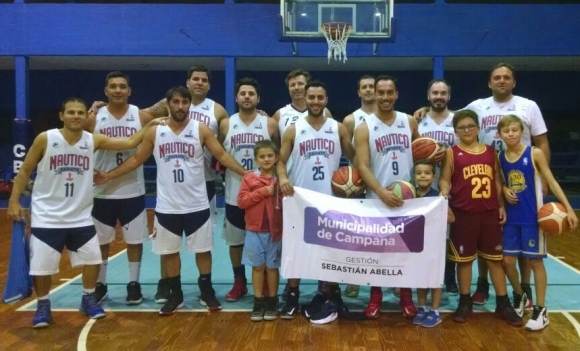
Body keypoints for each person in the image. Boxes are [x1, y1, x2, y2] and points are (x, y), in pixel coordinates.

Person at [7, 97, 162, 328]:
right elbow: (24, 171)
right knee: (42, 267)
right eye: (71, 112)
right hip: (47, 215)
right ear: (62, 115)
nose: (76, 116)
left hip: (80, 214)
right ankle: (43, 305)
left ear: (85, 116)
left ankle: (88, 297)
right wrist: (13, 202)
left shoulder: (92, 140)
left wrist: (149, 126)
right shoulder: (46, 138)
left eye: (80, 112)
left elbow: (129, 142)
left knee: (92, 259)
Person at [95, 86, 248, 316]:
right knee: (169, 252)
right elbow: (136, 158)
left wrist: (247, 175)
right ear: (168, 104)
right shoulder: (155, 131)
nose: (180, 106)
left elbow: (223, 156)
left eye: (184, 102)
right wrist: (108, 175)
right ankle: (175, 294)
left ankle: (206, 290)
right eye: (175, 102)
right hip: (167, 205)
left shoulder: (201, 129)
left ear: (189, 105)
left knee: (203, 251)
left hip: (196, 203)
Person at [415, 64, 550, 309]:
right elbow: (450, 113)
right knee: (488, 252)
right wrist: (427, 110)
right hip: (477, 193)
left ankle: (522, 290)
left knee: (514, 246)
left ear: (513, 82)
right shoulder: (477, 107)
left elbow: (541, 141)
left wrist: (543, 180)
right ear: (489, 82)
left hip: (520, 183)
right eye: (496, 77)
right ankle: (481, 286)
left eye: (506, 77)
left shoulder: (528, 106)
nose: (501, 81)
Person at [278, 80, 355, 321]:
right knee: (296, 249)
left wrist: (356, 181)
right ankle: (292, 294)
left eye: (320, 97)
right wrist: (282, 178)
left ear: (326, 100)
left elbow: (356, 159)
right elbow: (280, 160)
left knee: (330, 250)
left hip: (331, 199)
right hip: (300, 198)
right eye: (311, 97)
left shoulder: (338, 127)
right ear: (305, 98)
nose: (315, 101)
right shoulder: (294, 128)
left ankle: (329, 291)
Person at [439, 109, 522, 326]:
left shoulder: (489, 152)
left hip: (488, 213)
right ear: (455, 131)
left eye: (470, 126)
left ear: (478, 128)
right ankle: (464, 301)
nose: (466, 130)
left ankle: (503, 303)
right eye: (461, 127)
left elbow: (497, 181)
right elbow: (445, 179)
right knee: (464, 262)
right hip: (463, 215)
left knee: (495, 260)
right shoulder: (451, 152)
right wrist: (443, 193)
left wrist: (501, 205)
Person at [497, 114, 578, 330]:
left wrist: (569, 208)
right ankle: (521, 295)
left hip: (533, 219)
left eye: (515, 130)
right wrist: (504, 190)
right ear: (500, 134)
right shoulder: (500, 157)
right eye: (506, 131)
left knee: (535, 263)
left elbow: (551, 181)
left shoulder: (534, 153)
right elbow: (500, 184)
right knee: (507, 262)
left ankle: (541, 311)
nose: (511, 134)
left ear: (522, 131)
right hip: (511, 220)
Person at [353, 75, 421, 320]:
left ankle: (406, 296)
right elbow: (362, 165)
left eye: (389, 92)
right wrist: (382, 192)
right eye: (380, 92)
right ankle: (375, 297)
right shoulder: (364, 127)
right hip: (377, 198)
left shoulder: (410, 121)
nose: (384, 97)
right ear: (374, 94)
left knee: (406, 251)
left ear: (396, 94)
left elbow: (421, 157)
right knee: (376, 253)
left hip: (408, 199)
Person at [87, 71, 155, 305]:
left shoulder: (141, 115)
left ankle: (133, 284)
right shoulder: (94, 117)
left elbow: (169, 109)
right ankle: (101, 284)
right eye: (113, 86)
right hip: (100, 192)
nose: (117, 90)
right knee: (101, 242)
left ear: (129, 91)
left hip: (132, 190)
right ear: (106, 91)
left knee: (134, 241)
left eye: (122, 86)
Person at [218, 78, 279, 302]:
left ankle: (263, 282)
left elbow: (279, 155)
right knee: (236, 241)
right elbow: (218, 154)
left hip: (266, 197)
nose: (246, 97)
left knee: (265, 239)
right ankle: (239, 281)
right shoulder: (226, 124)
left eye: (251, 93)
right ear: (236, 98)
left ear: (258, 98)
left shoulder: (270, 124)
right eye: (242, 93)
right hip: (236, 193)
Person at [417, 79, 458, 296]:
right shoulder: (419, 121)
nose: (439, 96)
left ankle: (449, 276)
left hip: (452, 184)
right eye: (435, 93)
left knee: (448, 234)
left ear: (448, 96)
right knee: (424, 234)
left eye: (443, 93)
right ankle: (422, 275)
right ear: (428, 95)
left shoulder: (457, 120)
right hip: (424, 185)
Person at [237, 140, 283, 322]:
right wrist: (263, 192)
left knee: (272, 267)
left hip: (275, 232)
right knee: (258, 267)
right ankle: (258, 300)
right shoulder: (249, 178)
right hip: (254, 231)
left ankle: (272, 300)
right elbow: (242, 201)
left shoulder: (281, 179)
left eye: (270, 156)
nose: (266, 159)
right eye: (262, 156)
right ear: (256, 159)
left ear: (276, 157)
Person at [341, 74, 375, 299]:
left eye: (372, 86)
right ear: (358, 92)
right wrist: (357, 173)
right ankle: (353, 281)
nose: (369, 90)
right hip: (359, 186)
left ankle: (386, 279)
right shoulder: (351, 120)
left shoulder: (395, 117)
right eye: (365, 87)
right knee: (355, 237)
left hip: (384, 184)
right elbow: (347, 150)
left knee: (383, 238)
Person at [412, 159, 455, 328]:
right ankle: (422, 307)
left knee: (435, 277)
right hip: (416, 244)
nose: (423, 176)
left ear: (434, 176)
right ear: (414, 176)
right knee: (420, 277)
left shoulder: (438, 197)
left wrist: (432, 214)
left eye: (427, 173)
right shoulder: (410, 195)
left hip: (436, 244)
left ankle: (435, 311)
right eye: (419, 173)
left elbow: (452, 218)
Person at [272, 69, 332, 138]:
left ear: (308, 87)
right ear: (288, 89)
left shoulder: (324, 111)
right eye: (292, 85)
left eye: (300, 84)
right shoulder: (279, 114)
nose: (296, 88)